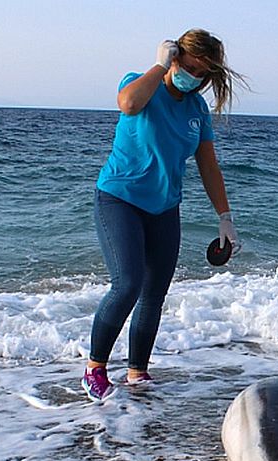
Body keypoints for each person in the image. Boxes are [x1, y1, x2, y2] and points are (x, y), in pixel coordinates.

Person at [82, 28, 247, 401]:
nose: (194, 78)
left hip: (164, 208)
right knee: (127, 283)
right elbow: (128, 104)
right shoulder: (141, 83)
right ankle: (94, 369)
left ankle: (137, 372)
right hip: (119, 198)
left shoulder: (197, 111)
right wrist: (158, 67)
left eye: (202, 74)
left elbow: (208, 166)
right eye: (189, 67)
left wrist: (225, 217)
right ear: (174, 58)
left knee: (154, 294)